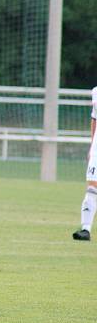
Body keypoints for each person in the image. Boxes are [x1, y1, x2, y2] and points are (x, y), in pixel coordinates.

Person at [73, 85, 97, 241]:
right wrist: (92, 146)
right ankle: (86, 229)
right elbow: (94, 119)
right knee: (92, 187)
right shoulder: (96, 91)